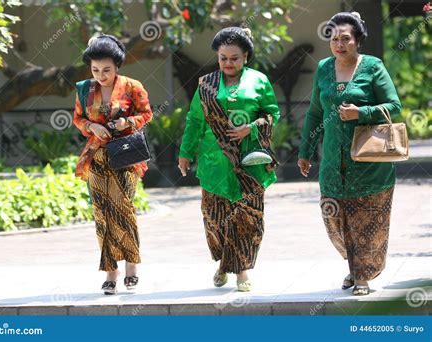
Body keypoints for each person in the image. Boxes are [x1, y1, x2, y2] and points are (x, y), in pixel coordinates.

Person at [297, 12, 402, 295]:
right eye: (333, 39)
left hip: (368, 163)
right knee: (333, 216)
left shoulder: (373, 67)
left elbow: (394, 106)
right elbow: (315, 113)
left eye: (346, 39)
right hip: (332, 160)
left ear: (357, 41)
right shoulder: (323, 68)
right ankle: (355, 265)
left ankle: (362, 277)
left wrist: (362, 112)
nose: (339, 44)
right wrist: (305, 151)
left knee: (365, 219)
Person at [178, 27, 280, 292]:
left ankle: (242, 271)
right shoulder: (207, 84)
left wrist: (252, 128)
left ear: (246, 56)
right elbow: (194, 121)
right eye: (223, 58)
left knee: (247, 217)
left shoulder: (259, 80)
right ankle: (225, 261)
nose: (228, 63)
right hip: (214, 163)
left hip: (249, 162)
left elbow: (272, 114)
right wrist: (185, 153)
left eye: (234, 57)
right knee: (214, 217)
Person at [73, 34, 153, 295]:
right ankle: (110, 271)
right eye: (95, 69)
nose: (100, 74)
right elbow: (78, 119)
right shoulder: (84, 88)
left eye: (106, 69)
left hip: (126, 156)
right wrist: (92, 125)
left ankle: (131, 265)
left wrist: (126, 123)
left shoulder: (132, 86)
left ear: (117, 66)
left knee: (122, 208)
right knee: (101, 213)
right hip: (96, 156)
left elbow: (146, 113)